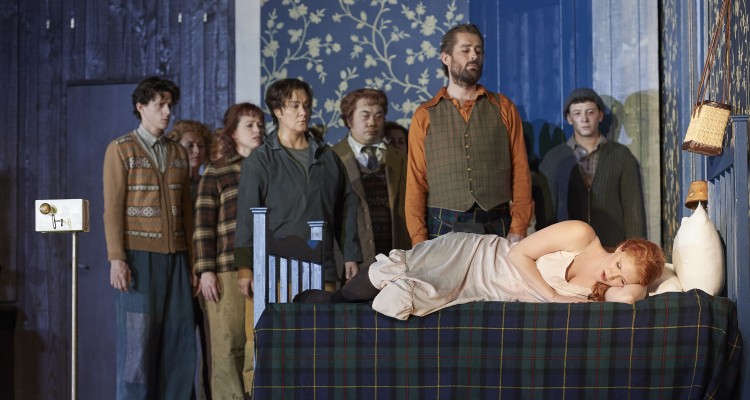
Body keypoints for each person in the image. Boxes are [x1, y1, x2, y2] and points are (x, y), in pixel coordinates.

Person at [296, 220, 665, 321]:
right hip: (476, 257)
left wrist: (641, 281)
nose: (611, 277)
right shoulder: (582, 235)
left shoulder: (605, 294)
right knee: (387, 275)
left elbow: (631, 297)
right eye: (618, 265)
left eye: (621, 278)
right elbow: (519, 253)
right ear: (620, 247)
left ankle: (337, 307)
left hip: (486, 289)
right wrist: (552, 296)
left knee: (408, 295)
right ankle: (330, 301)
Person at [103, 76, 196, 399]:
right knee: (137, 345)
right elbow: (112, 209)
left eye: (170, 105)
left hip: (178, 259)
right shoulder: (120, 149)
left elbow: (187, 212)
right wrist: (117, 259)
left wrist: (193, 264)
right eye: (160, 105)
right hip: (139, 262)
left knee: (180, 341)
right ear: (141, 107)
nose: (167, 111)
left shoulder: (178, 154)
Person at [406, 23, 534, 247]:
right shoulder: (424, 115)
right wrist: (419, 240)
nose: (474, 55)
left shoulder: (504, 107)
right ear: (446, 58)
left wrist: (519, 227)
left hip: (497, 224)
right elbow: (416, 182)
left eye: (478, 50)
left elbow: (521, 170)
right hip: (442, 226)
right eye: (465, 50)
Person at [234, 78, 362, 295]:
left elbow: (346, 209)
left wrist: (351, 255)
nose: (303, 112)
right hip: (276, 273)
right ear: (278, 111)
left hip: (323, 269)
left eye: (306, 105)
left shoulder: (328, 158)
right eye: (294, 106)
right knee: (277, 330)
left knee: (321, 329)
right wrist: (245, 269)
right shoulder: (260, 160)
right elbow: (248, 217)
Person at [193, 103, 265, 399]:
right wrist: (206, 270)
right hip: (225, 269)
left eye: (260, 124)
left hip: (264, 268)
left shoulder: (270, 167)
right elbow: (203, 225)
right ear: (233, 132)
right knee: (227, 346)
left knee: (256, 346)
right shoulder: (218, 171)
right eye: (249, 125)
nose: (257, 130)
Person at [538, 88, 646, 247]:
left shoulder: (621, 155)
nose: (584, 119)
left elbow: (633, 212)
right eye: (577, 113)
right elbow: (546, 214)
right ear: (569, 118)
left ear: (600, 115)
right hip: (568, 251)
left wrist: (634, 251)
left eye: (590, 112)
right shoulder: (553, 159)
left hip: (612, 250)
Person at [332, 89, 411, 272]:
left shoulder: (399, 158)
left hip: (395, 257)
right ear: (349, 119)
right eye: (365, 115)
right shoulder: (332, 157)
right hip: (355, 258)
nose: (372, 122)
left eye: (378, 116)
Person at [167, 120, 213, 201]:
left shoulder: (210, 184)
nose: (197, 151)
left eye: (201, 146)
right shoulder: (167, 183)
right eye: (190, 146)